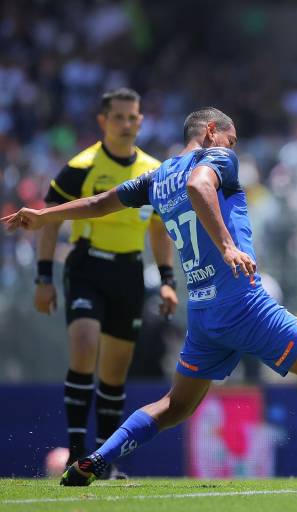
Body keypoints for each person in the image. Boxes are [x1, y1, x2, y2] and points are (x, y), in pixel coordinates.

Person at [3, 107, 297, 486]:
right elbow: (199, 185)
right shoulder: (217, 158)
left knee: (175, 406)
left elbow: (101, 203)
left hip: (204, 314)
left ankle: (98, 458)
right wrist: (228, 246)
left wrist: (45, 216)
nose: (234, 148)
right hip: (244, 304)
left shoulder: (157, 177)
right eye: (231, 139)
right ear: (211, 131)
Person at [34, 87, 178, 478]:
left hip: (129, 274)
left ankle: (102, 462)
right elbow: (50, 220)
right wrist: (43, 277)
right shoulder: (81, 166)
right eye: (119, 117)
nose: (126, 124)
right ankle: (75, 453)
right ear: (103, 121)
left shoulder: (153, 170)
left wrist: (167, 280)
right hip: (86, 268)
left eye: (133, 117)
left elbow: (159, 230)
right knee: (84, 347)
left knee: (114, 373)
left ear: (141, 121)